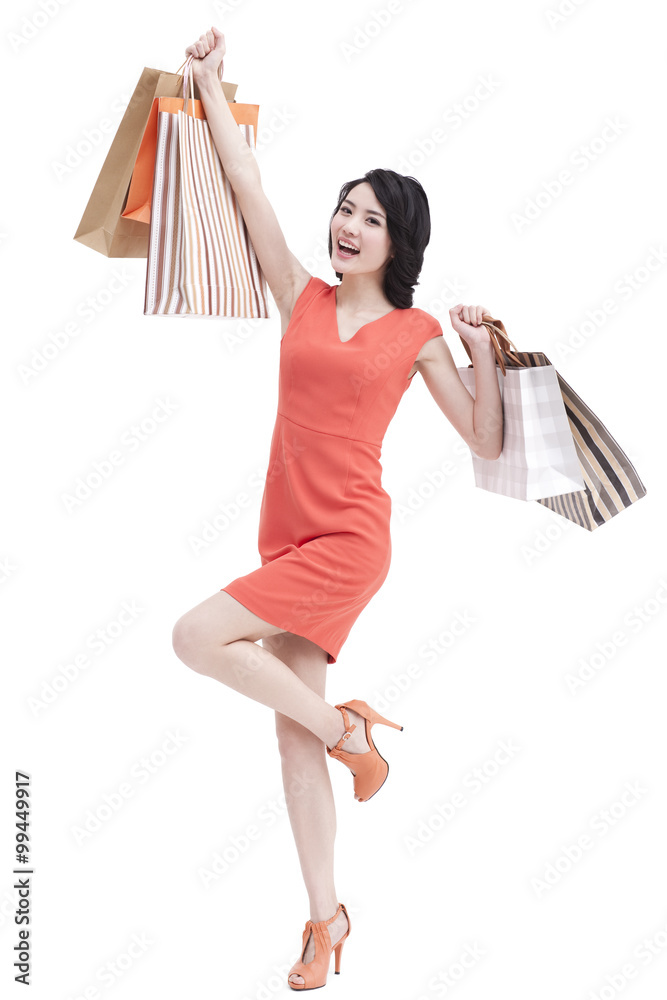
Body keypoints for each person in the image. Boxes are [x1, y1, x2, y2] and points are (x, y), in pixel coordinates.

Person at [171, 26, 503, 991]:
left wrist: (479, 347)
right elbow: (249, 187)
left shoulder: (413, 330)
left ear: (399, 239)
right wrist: (208, 83)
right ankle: (328, 921)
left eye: (368, 218)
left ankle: (349, 734)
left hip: (351, 538)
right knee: (289, 727)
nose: (346, 226)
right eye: (342, 211)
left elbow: (481, 442)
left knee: (196, 637)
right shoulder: (300, 294)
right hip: (285, 530)